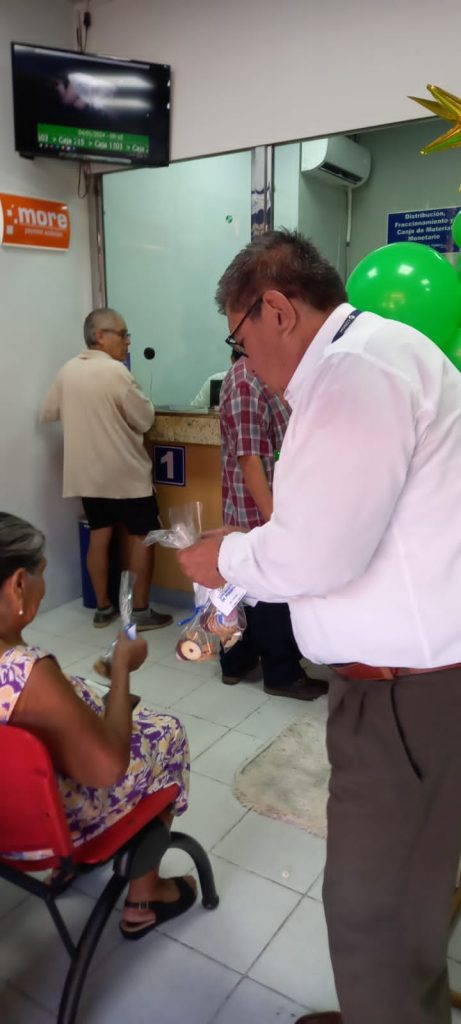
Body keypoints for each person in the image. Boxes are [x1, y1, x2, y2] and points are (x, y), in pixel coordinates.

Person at [178, 229, 461, 1024]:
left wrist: (221, 556)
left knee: (372, 910)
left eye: (238, 339)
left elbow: (319, 552)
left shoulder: (353, 373)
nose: (242, 360)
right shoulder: (376, 357)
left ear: (275, 309)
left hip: (403, 695)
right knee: (404, 892)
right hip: (409, 683)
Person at [0, 511, 195, 938]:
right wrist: (122, 669)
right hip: (47, 831)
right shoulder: (25, 671)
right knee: (166, 732)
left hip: (7, 819)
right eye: (40, 574)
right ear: (17, 584)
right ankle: (144, 895)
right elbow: (107, 768)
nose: (42, 584)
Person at [40, 307, 172, 631]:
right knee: (142, 535)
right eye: (123, 334)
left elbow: (48, 412)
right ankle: (140, 611)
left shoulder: (68, 370)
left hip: (87, 476)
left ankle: (102, 607)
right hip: (125, 474)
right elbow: (145, 418)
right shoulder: (116, 373)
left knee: (100, 534)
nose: (128, 341)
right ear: (100, 336)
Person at [219, 350, 327, 700]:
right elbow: (249, 459)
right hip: (257, 510)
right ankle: (281, 673)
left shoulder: (261, 375)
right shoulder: (247, 381)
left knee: (244, 588)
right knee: (269, 591)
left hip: (260, 507)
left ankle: (236, 662)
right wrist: (276, 521)